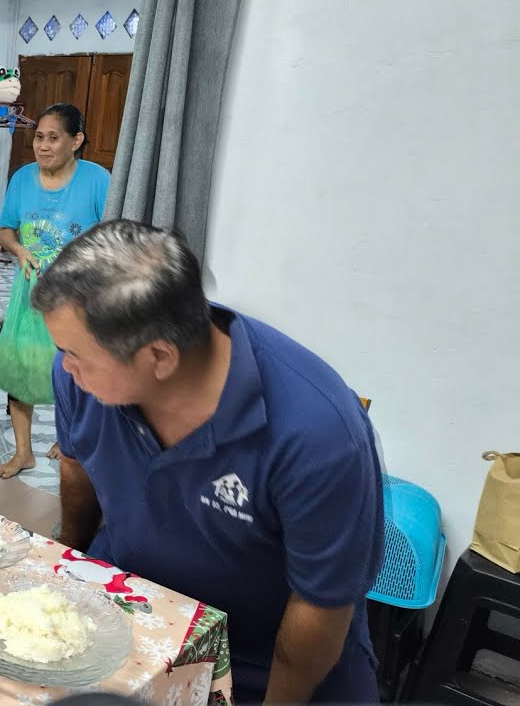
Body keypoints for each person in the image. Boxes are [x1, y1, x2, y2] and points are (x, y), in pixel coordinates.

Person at [34, 220, 383, 704]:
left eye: (74, 353)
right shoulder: (81, 379)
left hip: (261, 659)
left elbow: (319, 608)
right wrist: (64, 567)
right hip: (132, 611)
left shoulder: (317, 433)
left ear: (159, 357)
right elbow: (77, 466)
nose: (64, 365)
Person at [0, 103, 110, 478]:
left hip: (77, 299)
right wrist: (20, 250)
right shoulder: (22, 178)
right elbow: (6, 230)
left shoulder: (97, 180)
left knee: (74, 372)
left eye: (53, 138)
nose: (42, 145)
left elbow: (113, 237)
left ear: (76, 141)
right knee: (20, 369)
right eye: (39, 137)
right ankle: (23, 452)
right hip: (29, 295)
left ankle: (69, 442)